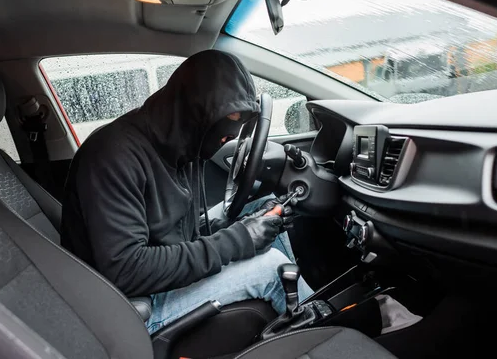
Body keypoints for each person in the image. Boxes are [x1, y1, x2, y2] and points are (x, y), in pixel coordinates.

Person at [61, 50, 313, 334]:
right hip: (133, 308)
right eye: (226, 123)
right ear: (194, 112)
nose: (229, 135)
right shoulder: (112, 156)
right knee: (274, 268)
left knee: (267, 214)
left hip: (160, 281)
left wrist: (243, 226)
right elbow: (125, 269)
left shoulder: (182, 149)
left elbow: (179, 236)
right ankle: (329, 339)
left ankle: (303, 325)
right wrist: (239, 239)